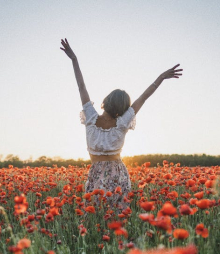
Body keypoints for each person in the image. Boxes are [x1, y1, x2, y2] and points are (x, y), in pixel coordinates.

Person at [60, 38, 182, 209]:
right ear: (124, 108)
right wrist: (160, 78)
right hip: (118, 174)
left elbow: (81, 86)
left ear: (105, 100)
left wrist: (74, 60)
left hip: (96, 172)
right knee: (117, 220)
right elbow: (143, 98)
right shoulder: (122, 122)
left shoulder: (90, 116)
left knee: (96, 216)